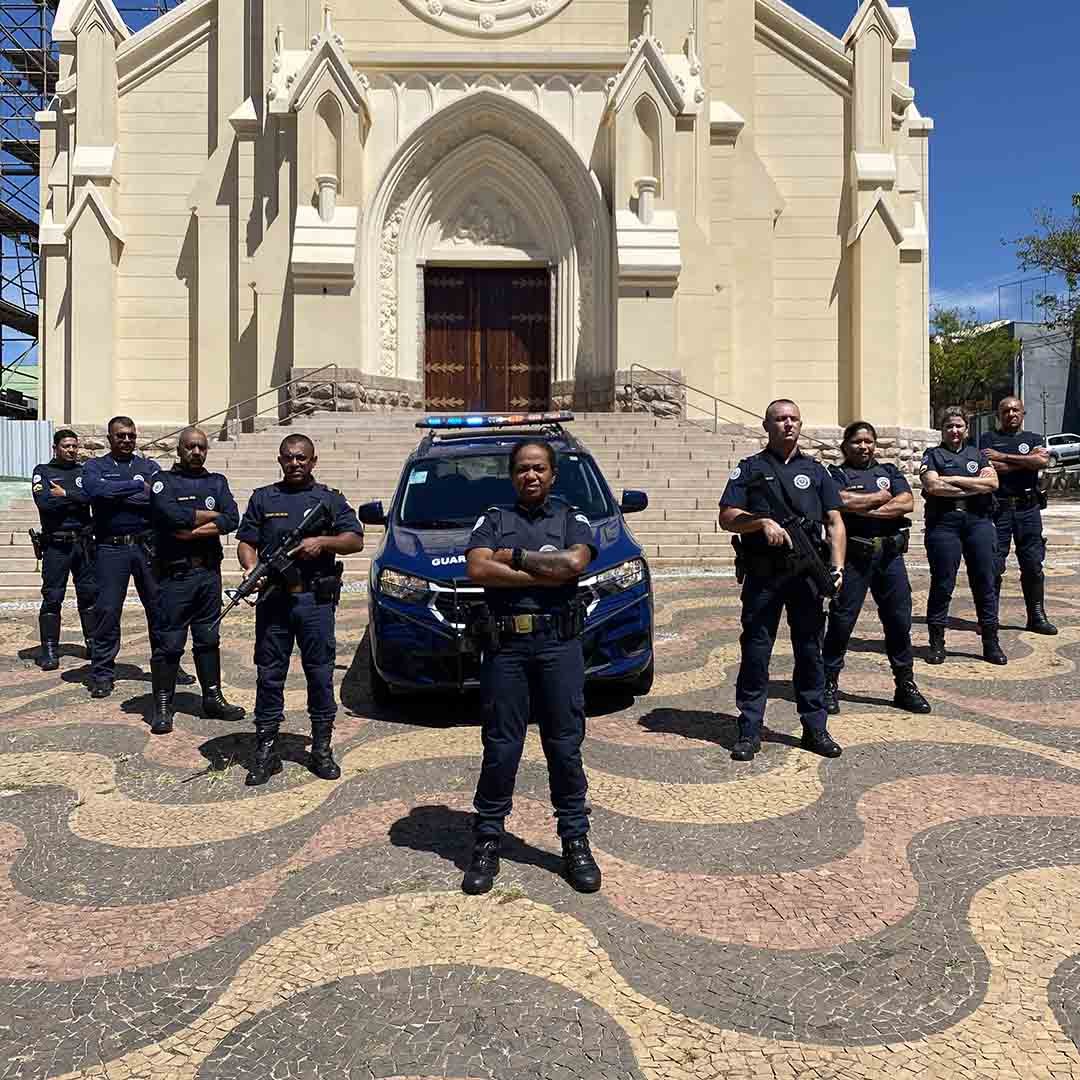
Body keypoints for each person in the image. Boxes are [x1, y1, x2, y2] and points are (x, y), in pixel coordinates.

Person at [463, 440, 600, 896]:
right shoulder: (494, 519)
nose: (531, 476)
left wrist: (517, 558)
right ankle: (487, 839)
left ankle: (575, 839)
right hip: (507, 648)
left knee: (564, 745)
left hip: (559, 645)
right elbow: (478, 569)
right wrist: (549, 572)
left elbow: (576, 563)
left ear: (553, 474)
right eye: (522, 469)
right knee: (502, 746)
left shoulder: (570, 517)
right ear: (512, 475)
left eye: (539, 468)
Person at [718, 399, 847, 763]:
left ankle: (814, 726)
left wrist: (837, 569)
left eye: (793, 419)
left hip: (807, 574)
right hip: (764, 575)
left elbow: (835, 522)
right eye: (779, 419)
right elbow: (727, 517)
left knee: (810, 652)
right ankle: (749, 727)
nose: (787, 425)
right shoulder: (750, 469)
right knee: (757, 651)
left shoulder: (817, 471)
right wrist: (760, 522)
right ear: (766, 426)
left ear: (800, 425)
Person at [235, 433, 364, 786]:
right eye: (289, 458)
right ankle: (265, 749)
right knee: (269, 674)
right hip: (274, 601)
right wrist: (251, 568)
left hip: (314, 602)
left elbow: (355, 539)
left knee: (320, 674)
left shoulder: (328, 500)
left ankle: (321, 748)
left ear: (313, 460)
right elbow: (247, 541)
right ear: (280, 460)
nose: (295, 463)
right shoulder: (264, 498)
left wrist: (322, 541)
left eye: (301, 458)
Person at [821, 422, 930, 715]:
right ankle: (828, 683)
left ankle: (904, 684)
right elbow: (837, 501)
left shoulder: (889, 472)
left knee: (898, 621)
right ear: (845, 446)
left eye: (869, 441)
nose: (863, 446)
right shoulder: (835, 474)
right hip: (854, 557)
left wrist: (863, 508)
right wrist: (879, 499)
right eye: (857, 441)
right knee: (842, 622)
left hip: (890, 558)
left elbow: (906, 503)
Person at [82, 417, 194, 699]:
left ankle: (169, 665)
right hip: (110, 548)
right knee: (107, 610)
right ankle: (102, 673)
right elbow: (96, 492)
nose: (127, 440)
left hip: (146, 547)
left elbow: (157, 500)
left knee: (160, 608)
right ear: (110, 438)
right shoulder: (95, 467)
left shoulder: (150, 467)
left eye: (131, 436)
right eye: (121, 436)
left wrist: (118, 493)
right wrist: (135, 486)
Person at [148, 427, 245, 735]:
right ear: (179, 449)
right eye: (190, 447)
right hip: (174, 576)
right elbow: (170, 517)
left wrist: (191, 529)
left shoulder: (216, 481)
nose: (196, 452)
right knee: (170, 642)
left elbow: (232, 519)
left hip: (207, 574)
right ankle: (163, 705)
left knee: (208, 638)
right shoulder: (163, 481)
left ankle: (212, 698)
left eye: (202, 447)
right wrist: (209, 517)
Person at [920, 407, 1004, 665]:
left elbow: (992, 484)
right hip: (944, 524)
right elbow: (933, 486)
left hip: (978, 521)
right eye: (949, 426)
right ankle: (936, 642)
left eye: (959, 426)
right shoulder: (932, 455)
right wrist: (972, 485)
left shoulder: (977, 455)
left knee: (985, 581)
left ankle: (990, 642)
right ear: (941, 430)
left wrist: (954, 479)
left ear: (966, 429)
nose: (954, 431)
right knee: (943, 582)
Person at [979, 396, 1056, 634]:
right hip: (998, 510)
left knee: (1033, 564)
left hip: (1028, 510)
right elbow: (992, 467)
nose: (1011, 414)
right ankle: (989, 620)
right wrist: (1026, 463)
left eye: (1015, 410)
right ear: (998, 415)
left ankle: (1036, 616)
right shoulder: (988, 439)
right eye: (1006, 411)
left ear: (1023, 414)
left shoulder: (1033, 438)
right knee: (993, 565)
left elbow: (1041, 460)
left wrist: (1004, 457)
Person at [30, 429, 97, 670]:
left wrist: (65, 494)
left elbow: (94, 498)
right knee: (53, 597)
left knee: (89, 596)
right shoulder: (43, 472)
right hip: (56, 545)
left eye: (74, 446)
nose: (71, 450)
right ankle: (49, 649)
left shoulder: (84, 471)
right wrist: (78, 498)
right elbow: (45, 503)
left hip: (83, 544)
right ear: (55, 447)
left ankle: (92, 643)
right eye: (66, 446)